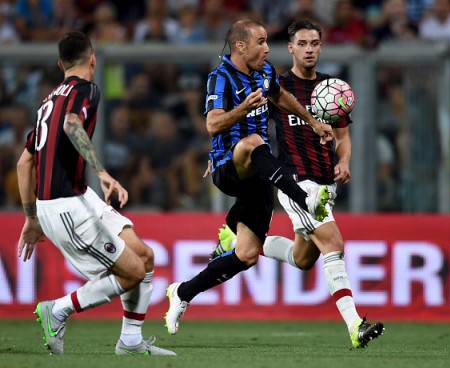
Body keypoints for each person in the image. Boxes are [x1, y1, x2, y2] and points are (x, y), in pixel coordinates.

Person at [211, 20, 384, 349]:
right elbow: (245, 123)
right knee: (333, 243)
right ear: (290, 47)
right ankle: (355, 324)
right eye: (302, 43)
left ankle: (237, 237)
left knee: (304, 259)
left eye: (315, 43)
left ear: (321, 46)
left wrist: (344, 160)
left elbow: (343, 138)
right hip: (296, 181)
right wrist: (220, 154)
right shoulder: (275, 82)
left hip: (326, 183)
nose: (309, 49)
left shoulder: (332, 90)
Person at [164, 19, 334, 335]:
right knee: (254, 142)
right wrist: (242, 109)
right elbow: (213, 125)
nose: (267, 48)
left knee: (246, 255)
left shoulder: (264, 72)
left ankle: (182, 292)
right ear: (241, 46)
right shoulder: (221, 78)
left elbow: (281, 97)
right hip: (230, 167)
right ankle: (303, 197)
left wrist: (311, 121)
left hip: (259, 173)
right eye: (261, 41)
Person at [16, 31, 175, 357]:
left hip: (75, 196)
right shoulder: (86, 89)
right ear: (92, 59)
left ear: (61, 64)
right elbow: (72, 125)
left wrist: (31, 218)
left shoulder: (49, 100)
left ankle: (130, 340)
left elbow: (24, 162)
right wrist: (102, 172)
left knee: (144, 257)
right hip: (65, 205)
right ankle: (58, 309)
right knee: (131, 273)